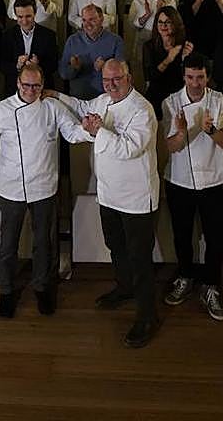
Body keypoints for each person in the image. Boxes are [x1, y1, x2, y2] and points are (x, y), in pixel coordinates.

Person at [55, 60, 162, 348]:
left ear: (129, 78)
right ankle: (125, 288)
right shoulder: (103, 100)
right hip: (110, 194)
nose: (111, 85)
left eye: (117, 79)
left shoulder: (142, 109)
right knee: (116, 246)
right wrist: (56, 96)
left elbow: (129, 148)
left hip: (137, 197)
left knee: (140, 258)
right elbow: (81, 106)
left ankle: (147, 315)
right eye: (106, 80)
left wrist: (98, 131)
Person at [0, 64, 81, 317]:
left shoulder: (53, 108)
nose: (31, 90)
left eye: (37, 86)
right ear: (18, 84)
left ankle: (42, 287)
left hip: (44, 187)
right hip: (11, 188)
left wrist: (92, 130)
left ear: (43, 86)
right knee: (7, 244)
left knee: (44, 243)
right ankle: (7, 290)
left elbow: (73, 134)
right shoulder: (3, 109)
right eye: (26, 85)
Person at [160, 56, 223, 320]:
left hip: (214, 179)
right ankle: (185, 276)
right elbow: (170, 147)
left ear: (207, 77)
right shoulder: (170, 102)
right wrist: (181, 132)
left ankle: (211, 285)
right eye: (190, 77)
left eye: (200, 77)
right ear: (183, 77)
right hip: (179, 180)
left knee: (214, 238)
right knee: (182, 235)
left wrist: (211, 129)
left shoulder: (220, 100)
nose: (195, 83)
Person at [60, 4, 125, 98]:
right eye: (84, 20)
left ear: (101, 19)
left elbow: (122, 73)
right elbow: (63, 74)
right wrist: (74, 68)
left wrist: (105, 68)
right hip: (79, 99)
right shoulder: (72, 40)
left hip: (106, 99)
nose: (87, 24)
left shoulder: (116, 41)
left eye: (92, 20)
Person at [142, 6, 193, 111]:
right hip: (156, 94)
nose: (163, 26)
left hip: (178, 94)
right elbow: (150, 76)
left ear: (175, 23)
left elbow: (190, 78)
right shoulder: (149, 46)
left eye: (168, 22)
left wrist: (185, 59)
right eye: (160, 22)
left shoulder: (185, 45)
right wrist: (168, 59)